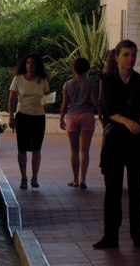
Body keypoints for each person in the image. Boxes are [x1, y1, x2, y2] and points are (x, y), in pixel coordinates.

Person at [93, 40, 140, 249]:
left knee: (136, 189)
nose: (131, 59)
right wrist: (128, 121)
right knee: (112, 189)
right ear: (117, 56)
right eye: (127, 54)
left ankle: (139, 235)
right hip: (115, 140)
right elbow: (109, 110)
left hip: (137, 140)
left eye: (133, 55)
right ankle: (110, 236)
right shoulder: (108, 80)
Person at [8, 54, 50, 190]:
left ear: (37, 65)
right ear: (24, 65)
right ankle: (24, 178)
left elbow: (47, 98)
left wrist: (47, 103)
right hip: (22, 116)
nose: (30, 65)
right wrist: (11, 117)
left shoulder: (43, 80)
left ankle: (34, 177)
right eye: (28, 62)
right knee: (22, 148)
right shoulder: (18, 79)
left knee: (37, 148)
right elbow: (12, 99)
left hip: (38, 117)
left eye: (33, 63)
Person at [59, 57, 99, 190]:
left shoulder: (67, 84)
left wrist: (61, 118)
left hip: (72, 117)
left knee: (74, 150)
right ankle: (83, 180)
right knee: (84, 150)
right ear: (87, 69)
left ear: (73, 68)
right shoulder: (90, 84)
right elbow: (94, 102)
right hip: (87, 116)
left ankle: (75, 179)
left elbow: (65, 104)